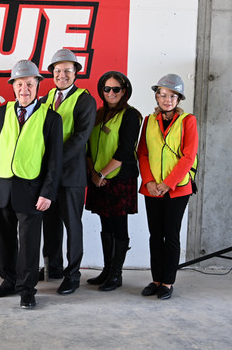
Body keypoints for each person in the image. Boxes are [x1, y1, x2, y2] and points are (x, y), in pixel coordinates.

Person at [0, 59, 63, 309]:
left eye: (29, 84)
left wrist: (48, 192)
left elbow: (54, 160)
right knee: (4, 239)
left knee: (29, 244)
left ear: (38, 85)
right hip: (3, 187)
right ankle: (9, 280)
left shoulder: (51, 118)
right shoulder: (1, 112)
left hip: (32, 191)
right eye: (19, 84)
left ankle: (27, 289)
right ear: (13, 86)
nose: (24, 89)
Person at [39, 49, 96, 295]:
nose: (62, 75)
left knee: (72, 224)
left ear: (76, 73)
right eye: (58, 70)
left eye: (67, 71)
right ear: (52, 73)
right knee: (49, 223)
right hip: (49, 175)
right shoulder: (46, 97)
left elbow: (80, 137)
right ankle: (53, 268)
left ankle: (73, 275)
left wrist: (54, 160)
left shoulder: (85, 99)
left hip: (71, 174)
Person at [137, 74, 198, 300]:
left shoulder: (187, 121)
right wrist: (150, 182)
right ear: (157, 96)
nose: (167, 99)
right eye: (163, 94)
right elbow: (142, 153)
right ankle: (155, 279)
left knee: (170, 235)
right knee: (155, 235)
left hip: (177, 189)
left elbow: (188, 156)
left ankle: (168, 282)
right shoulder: (148, 121)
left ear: (179, 98)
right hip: (152, 188)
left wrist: (167, 184)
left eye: (172, 95)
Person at [85, 71, 142, 291]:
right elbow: (88, 147)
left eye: (116, 89)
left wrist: (101, 175)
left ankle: (116, 275)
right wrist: (93, 173)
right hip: (97, 178)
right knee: (105, 225)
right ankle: (107, 271)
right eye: (107, 89)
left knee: (119, 226)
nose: (111, 93)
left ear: (124, 91)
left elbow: (125, 150)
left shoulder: (130, 115)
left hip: (118, 179)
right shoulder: (98, 114)